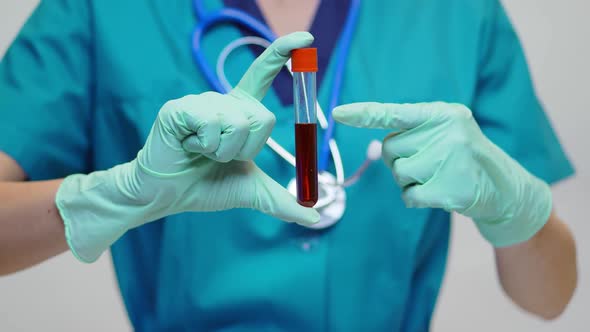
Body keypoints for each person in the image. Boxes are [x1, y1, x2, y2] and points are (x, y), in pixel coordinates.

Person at [0, 0, 578, 331]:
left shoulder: (456, 14)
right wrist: (117, 196)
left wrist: (517, 208)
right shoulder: (104, 10)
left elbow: (550, 297)